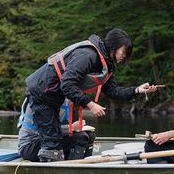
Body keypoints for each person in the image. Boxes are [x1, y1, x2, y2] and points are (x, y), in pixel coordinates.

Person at [18, 28, 160, 162]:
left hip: (53, 97)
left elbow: (112, 91)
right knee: (52, 147)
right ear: (114, 47)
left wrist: (137, 90)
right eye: (124, 51)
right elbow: (67, 84)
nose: (125, 55)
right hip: (42, 92)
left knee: (82, 138)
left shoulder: (105, 65)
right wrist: (90, 104)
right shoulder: (87, 55)